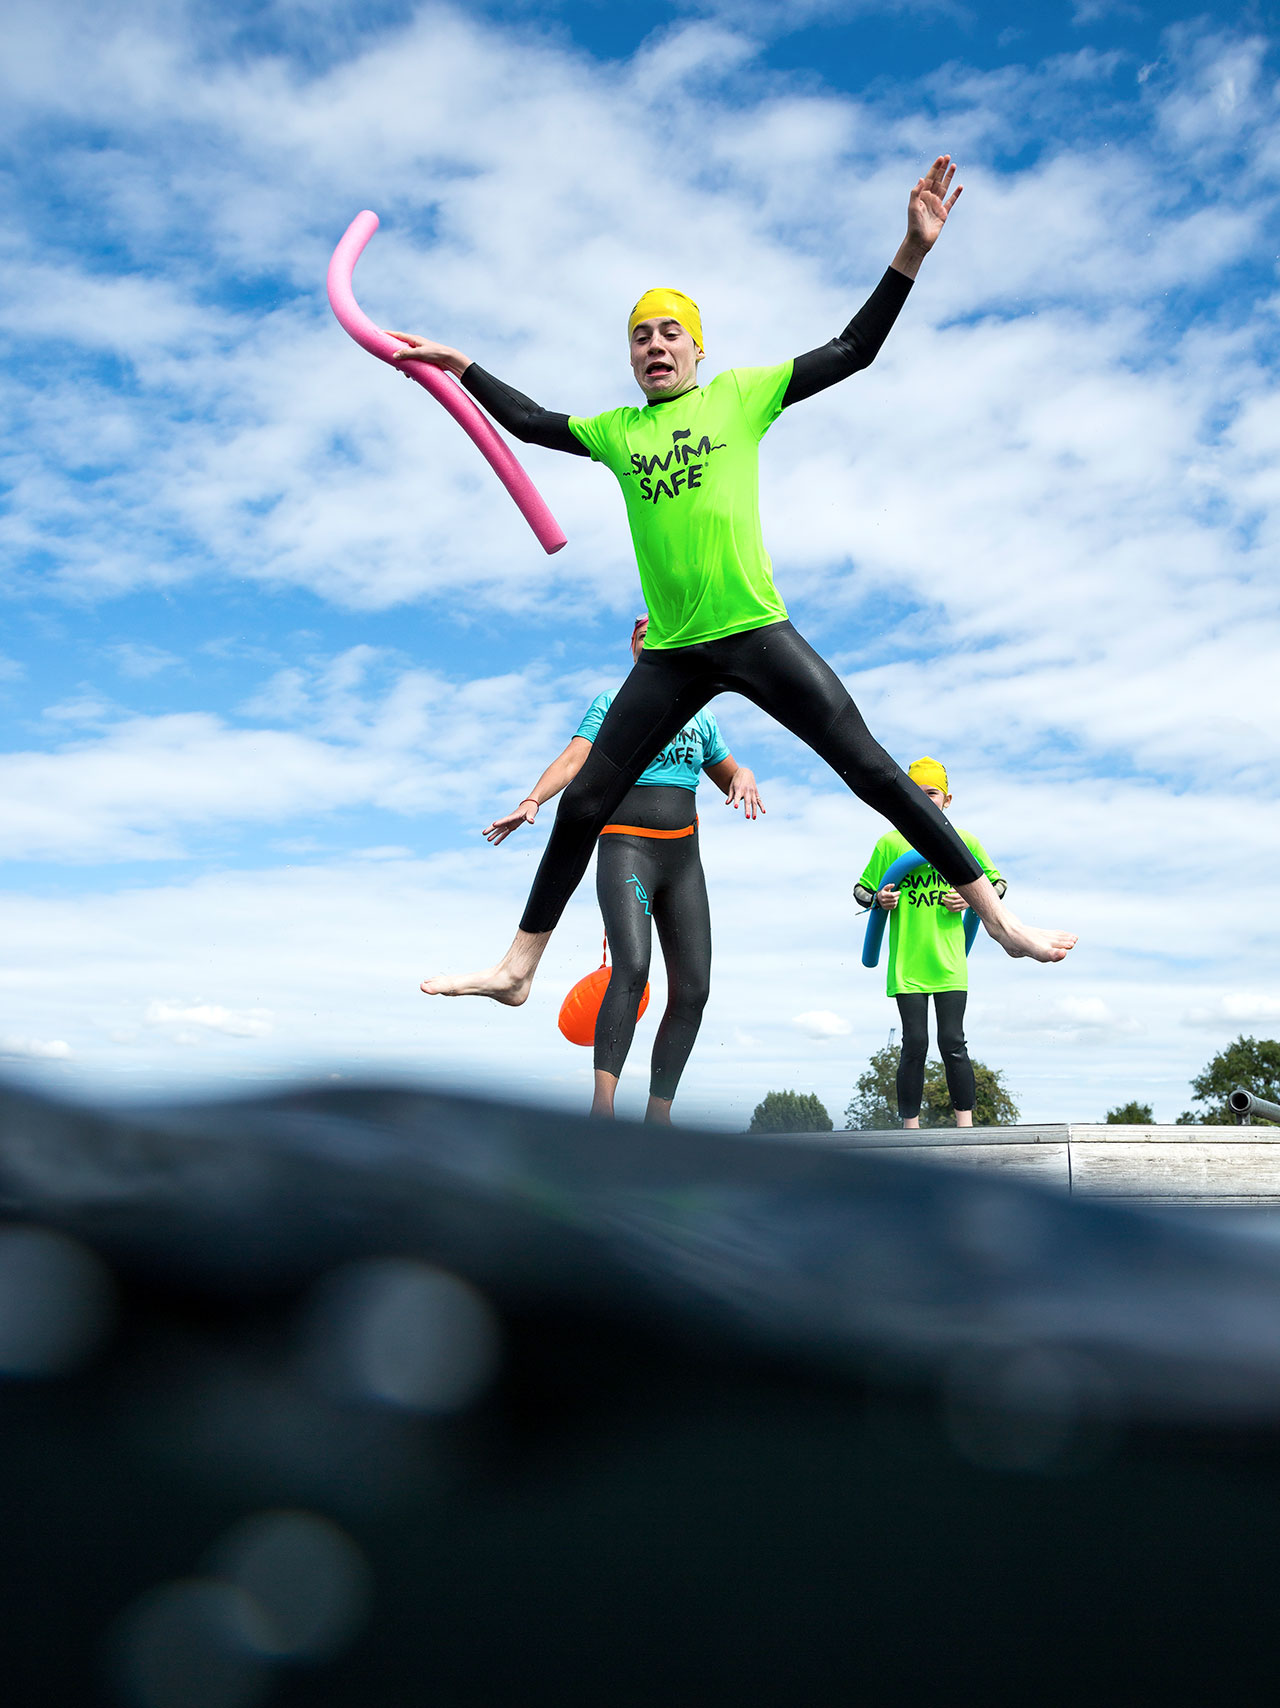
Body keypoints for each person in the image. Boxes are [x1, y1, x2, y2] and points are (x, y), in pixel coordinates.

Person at [395, 155, 1075, 1007]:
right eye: (640, 336)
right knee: (584, 805)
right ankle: (517, 969)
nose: (654, 345)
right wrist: (461, 367)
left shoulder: (741, 397)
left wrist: (911, 252)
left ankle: (1001, 923)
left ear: (697, 346)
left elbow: (853, 349)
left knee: (876, 773)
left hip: (754, 629)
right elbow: (532, 424)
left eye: (669, 332)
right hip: (673, 654)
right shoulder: (615, 431)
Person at [486, 614, 762, 1124]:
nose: (647, 635)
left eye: (655, 631)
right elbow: (574, 758)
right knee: (631, 967)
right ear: (632, 649)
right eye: (638, 633)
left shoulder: (702, 715)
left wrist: (742, 773)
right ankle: (603, 1112)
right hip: (625, 848)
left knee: (694, 990)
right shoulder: (612, 703)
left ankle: (659, 1117)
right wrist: (534, 799)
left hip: (683, 861)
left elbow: (728, 774)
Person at [855, 758, 1003, 1129]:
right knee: (914, 1044)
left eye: (931, 793)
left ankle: (964, 1125)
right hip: (907, 962)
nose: (924, 799)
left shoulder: (964, 842)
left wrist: (971, 899)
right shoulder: (890, 843)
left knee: (953, 1042)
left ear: (947, 799)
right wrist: (879, 900)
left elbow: (998, 886)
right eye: (916, 792)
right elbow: (860, 891)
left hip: (951, 961)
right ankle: (910, 1128)